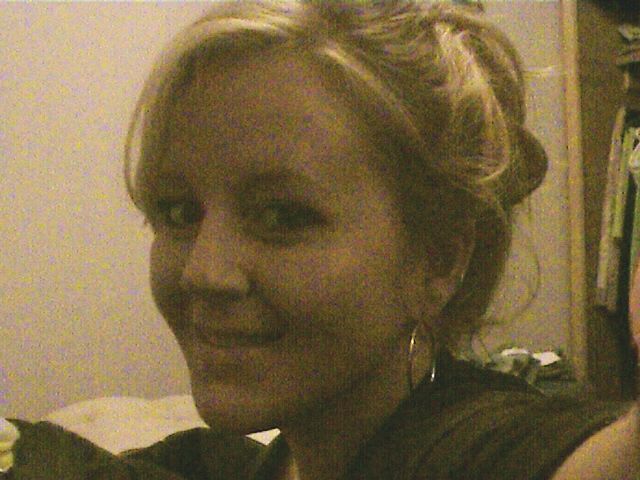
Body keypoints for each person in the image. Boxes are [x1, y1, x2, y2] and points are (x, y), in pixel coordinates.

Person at [4, 1, 639, 479]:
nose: (202, 270)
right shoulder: (248, 457)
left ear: (439, 260)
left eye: (282, 216)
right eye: (178, 211)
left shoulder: (469, 440)